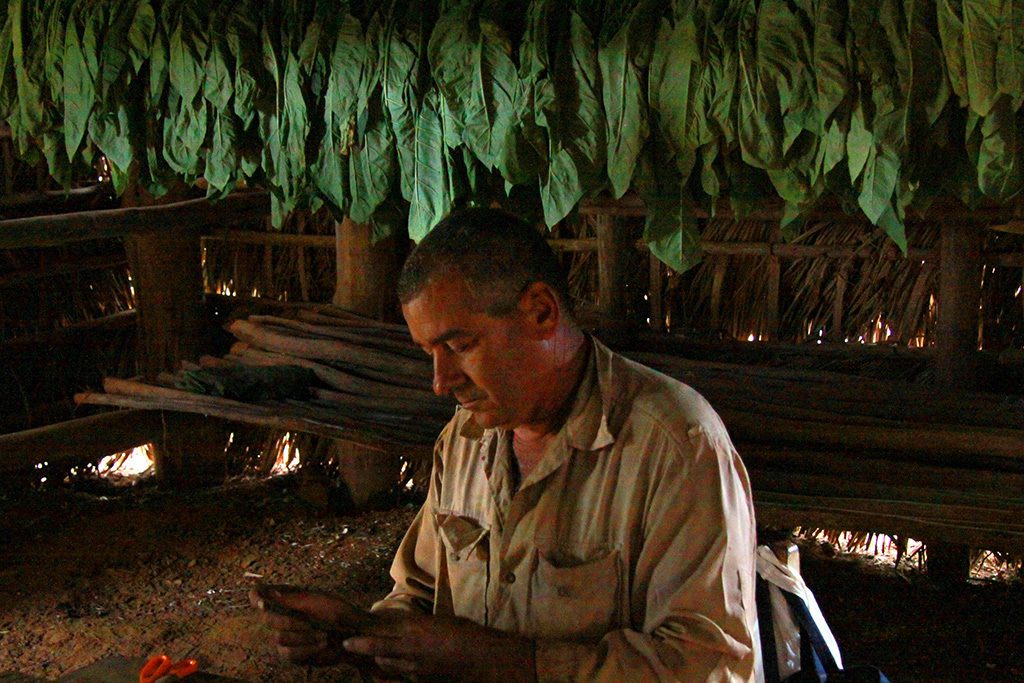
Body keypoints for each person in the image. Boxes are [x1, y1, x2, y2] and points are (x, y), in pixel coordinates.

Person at [252, 208, 759, 681]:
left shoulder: (674, 445)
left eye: (459, 346)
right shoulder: (466, 439)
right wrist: (353, 632)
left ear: (541, 313)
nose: (440, 380)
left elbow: (710, 667)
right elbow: (421, 593)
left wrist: (505, 663)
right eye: (430, 352)